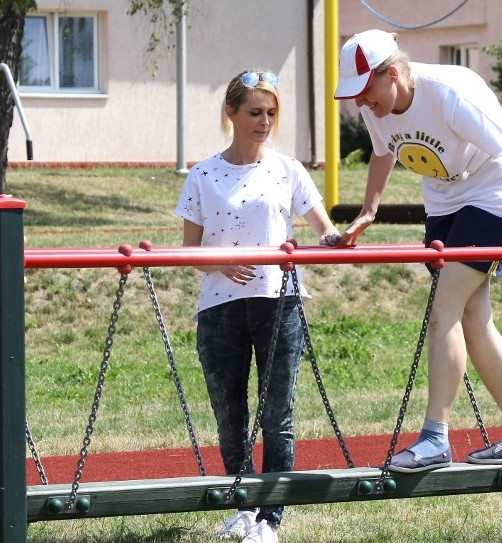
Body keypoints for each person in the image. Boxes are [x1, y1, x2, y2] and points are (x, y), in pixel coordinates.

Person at [333, 29, 502, 471]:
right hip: (444, 201)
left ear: (394, 73)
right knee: (473, 318)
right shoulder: (377, 106)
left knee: (445, 307)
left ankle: (434, 437)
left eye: (366, 92)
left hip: (496, 193)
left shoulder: (450, 94)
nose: (361, 103)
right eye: (355, 96)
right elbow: (383, 151)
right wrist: (369, 211)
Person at [175, 70, 340, 543]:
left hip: (279, 302)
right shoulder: (204, 174)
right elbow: (188, 250)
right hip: (220, 307)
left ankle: (270, 519)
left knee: (277, 416)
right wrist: (223, 261)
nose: (264, 121)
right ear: (231, 113)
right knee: (231, 415)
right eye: (254, 112)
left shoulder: (287, 169)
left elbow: (321, 229)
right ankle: (241, 506)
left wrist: (340, 237)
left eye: (271, 113)